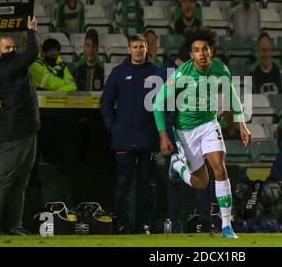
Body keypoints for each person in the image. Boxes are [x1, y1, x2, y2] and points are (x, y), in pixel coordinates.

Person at [153, 27, 252, 239]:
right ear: (191, 54)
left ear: (211, 50)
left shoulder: (220, 69)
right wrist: (163, 134)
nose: (201, 54)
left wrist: (242, 123)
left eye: (205, 49)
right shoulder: (181, 74)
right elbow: (158, 102)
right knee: (201, 182)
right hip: (185, 131)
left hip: (209, 124)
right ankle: (177, 166)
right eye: (196, 50)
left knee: (219, 168)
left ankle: (226, 226)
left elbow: (232, 96)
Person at [0, 16, 40, 235]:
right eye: (7, 47)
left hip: (28, 130)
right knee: (5, 182)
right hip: (15, 133)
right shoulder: (10, 66)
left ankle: (15, 226)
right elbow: (32, 53)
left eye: (13, 46)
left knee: (20, 183)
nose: (12, 49)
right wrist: (32, 31)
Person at [100, 34, 159, 234]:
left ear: (146, 49)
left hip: (149, 140)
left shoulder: (156, 72)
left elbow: (164, 104)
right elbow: (105, 103)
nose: (139, 50)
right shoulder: (118, 73)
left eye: (142, 47)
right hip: (123, 140)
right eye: (135, 47)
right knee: (122, 185)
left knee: (148, 185)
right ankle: (122, 224)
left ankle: (145, 225)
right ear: (129, 49)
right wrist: (113, 128)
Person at [158, 46, 214, 234]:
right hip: (178, 135)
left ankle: (205, 223)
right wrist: (165, 135)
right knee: (177, 185)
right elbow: (161, 107)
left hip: (196, 134)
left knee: (202, 178)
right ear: (179, 61)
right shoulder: (172, 78)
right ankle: (177, 225)